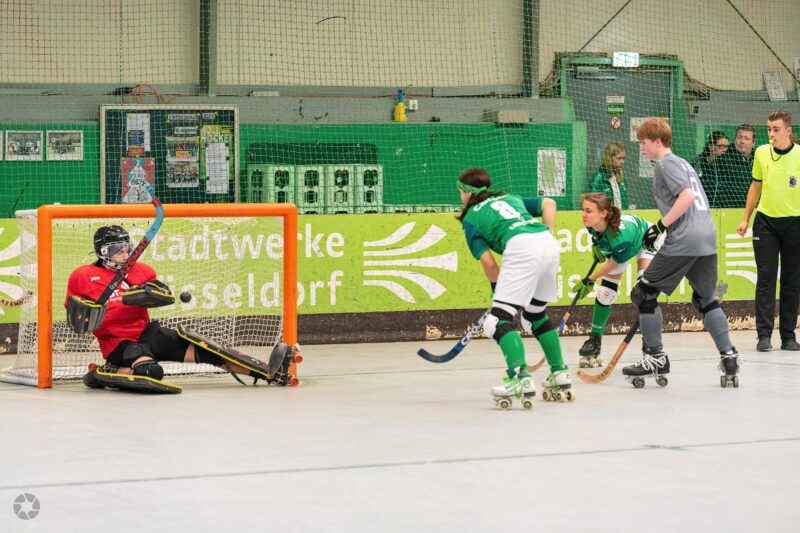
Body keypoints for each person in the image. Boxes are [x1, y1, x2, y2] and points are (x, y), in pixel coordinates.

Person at [65, 225, 282, 390]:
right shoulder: (83, 276)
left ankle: (267, 372)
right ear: (102, 251)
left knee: (208, 351)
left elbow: (163, 294)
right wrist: (99, 310)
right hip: (118, 342)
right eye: (116, 250)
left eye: (126, 248)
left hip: (147, 333)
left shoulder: (141, 270)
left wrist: (148, 295)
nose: (124, 253)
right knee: (151, 372)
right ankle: (107, 372)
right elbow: (75, 315)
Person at [623, 118, 739, 387]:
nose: (642, 148)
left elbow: (686, 196)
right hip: (706, 236)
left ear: (657, 141)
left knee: (644, 293)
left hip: (686, 238)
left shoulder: (666, 164)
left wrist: (660, 226)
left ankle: (655, 357)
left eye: (644, 142)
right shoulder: (683, 163)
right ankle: (729, 357)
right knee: (705, 299)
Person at [456, 167, 572, 404]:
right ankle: (559, 372)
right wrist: (548, 233)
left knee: (497, 320)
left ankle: (519, 377)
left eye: (460, 192)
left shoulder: (470, 219)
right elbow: (549, 204)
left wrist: (497, 291)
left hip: (521, 247)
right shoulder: (509, 198)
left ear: (468, 193)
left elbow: (489, 264)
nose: (460, 197)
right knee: (535, 314)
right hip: (548, 243)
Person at [571, 193, 659, 368]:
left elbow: (614, 262)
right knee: (605, 293)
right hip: (623, 246)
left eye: (588, 211)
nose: (583, 214)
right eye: (583, 210)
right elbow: (602, 241)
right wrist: (597, 248)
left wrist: (589, 279)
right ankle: (594, 342)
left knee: (643, 294)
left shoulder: (620, 238)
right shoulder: (592, 225)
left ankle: (652, 349)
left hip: (647, 240)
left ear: (603, 213)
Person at [736, 110, 800, 352]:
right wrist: (745, 218)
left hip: (795, 223)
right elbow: (756, 186)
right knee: (766, 279)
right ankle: (764, 336)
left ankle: (788, 336)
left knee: (792, 281)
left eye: (776, 129)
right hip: (766, 223)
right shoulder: (761, 152)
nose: (771, 134)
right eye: (769, 129)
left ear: (788, 131)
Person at [716, 124, 756, 207]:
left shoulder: (758, 159)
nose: (742, 141)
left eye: (747, 138)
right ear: (734, 139)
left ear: (753, 143)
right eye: (739, 137)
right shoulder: (723, 159)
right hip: (729, 208)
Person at [692, 131, 729, 207]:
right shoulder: (698, 163)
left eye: (726, 146)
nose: (724, 149)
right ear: (710, 146)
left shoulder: (725, 164)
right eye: (720, 146)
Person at [589, 142, 629, 209]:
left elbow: (624, 203)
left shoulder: (621, 179)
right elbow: (593, 204)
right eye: (619, 158)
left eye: (623, 158)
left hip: (621, 215)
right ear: (609, 158)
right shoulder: (598, 179)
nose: (622, 162)